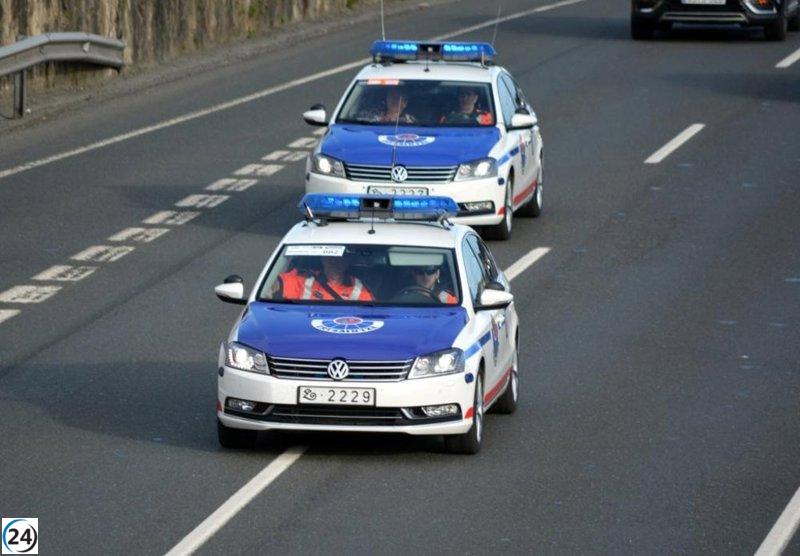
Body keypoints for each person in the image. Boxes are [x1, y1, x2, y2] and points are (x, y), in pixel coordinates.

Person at [277, 257, 374, 302]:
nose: (335, 263)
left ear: (347, 262)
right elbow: (276, 284)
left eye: (339, 260)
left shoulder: (359, 288)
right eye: (331, 259)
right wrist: (274, 286)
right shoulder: (304, 278)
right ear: (323, 260)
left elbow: (368, 315)